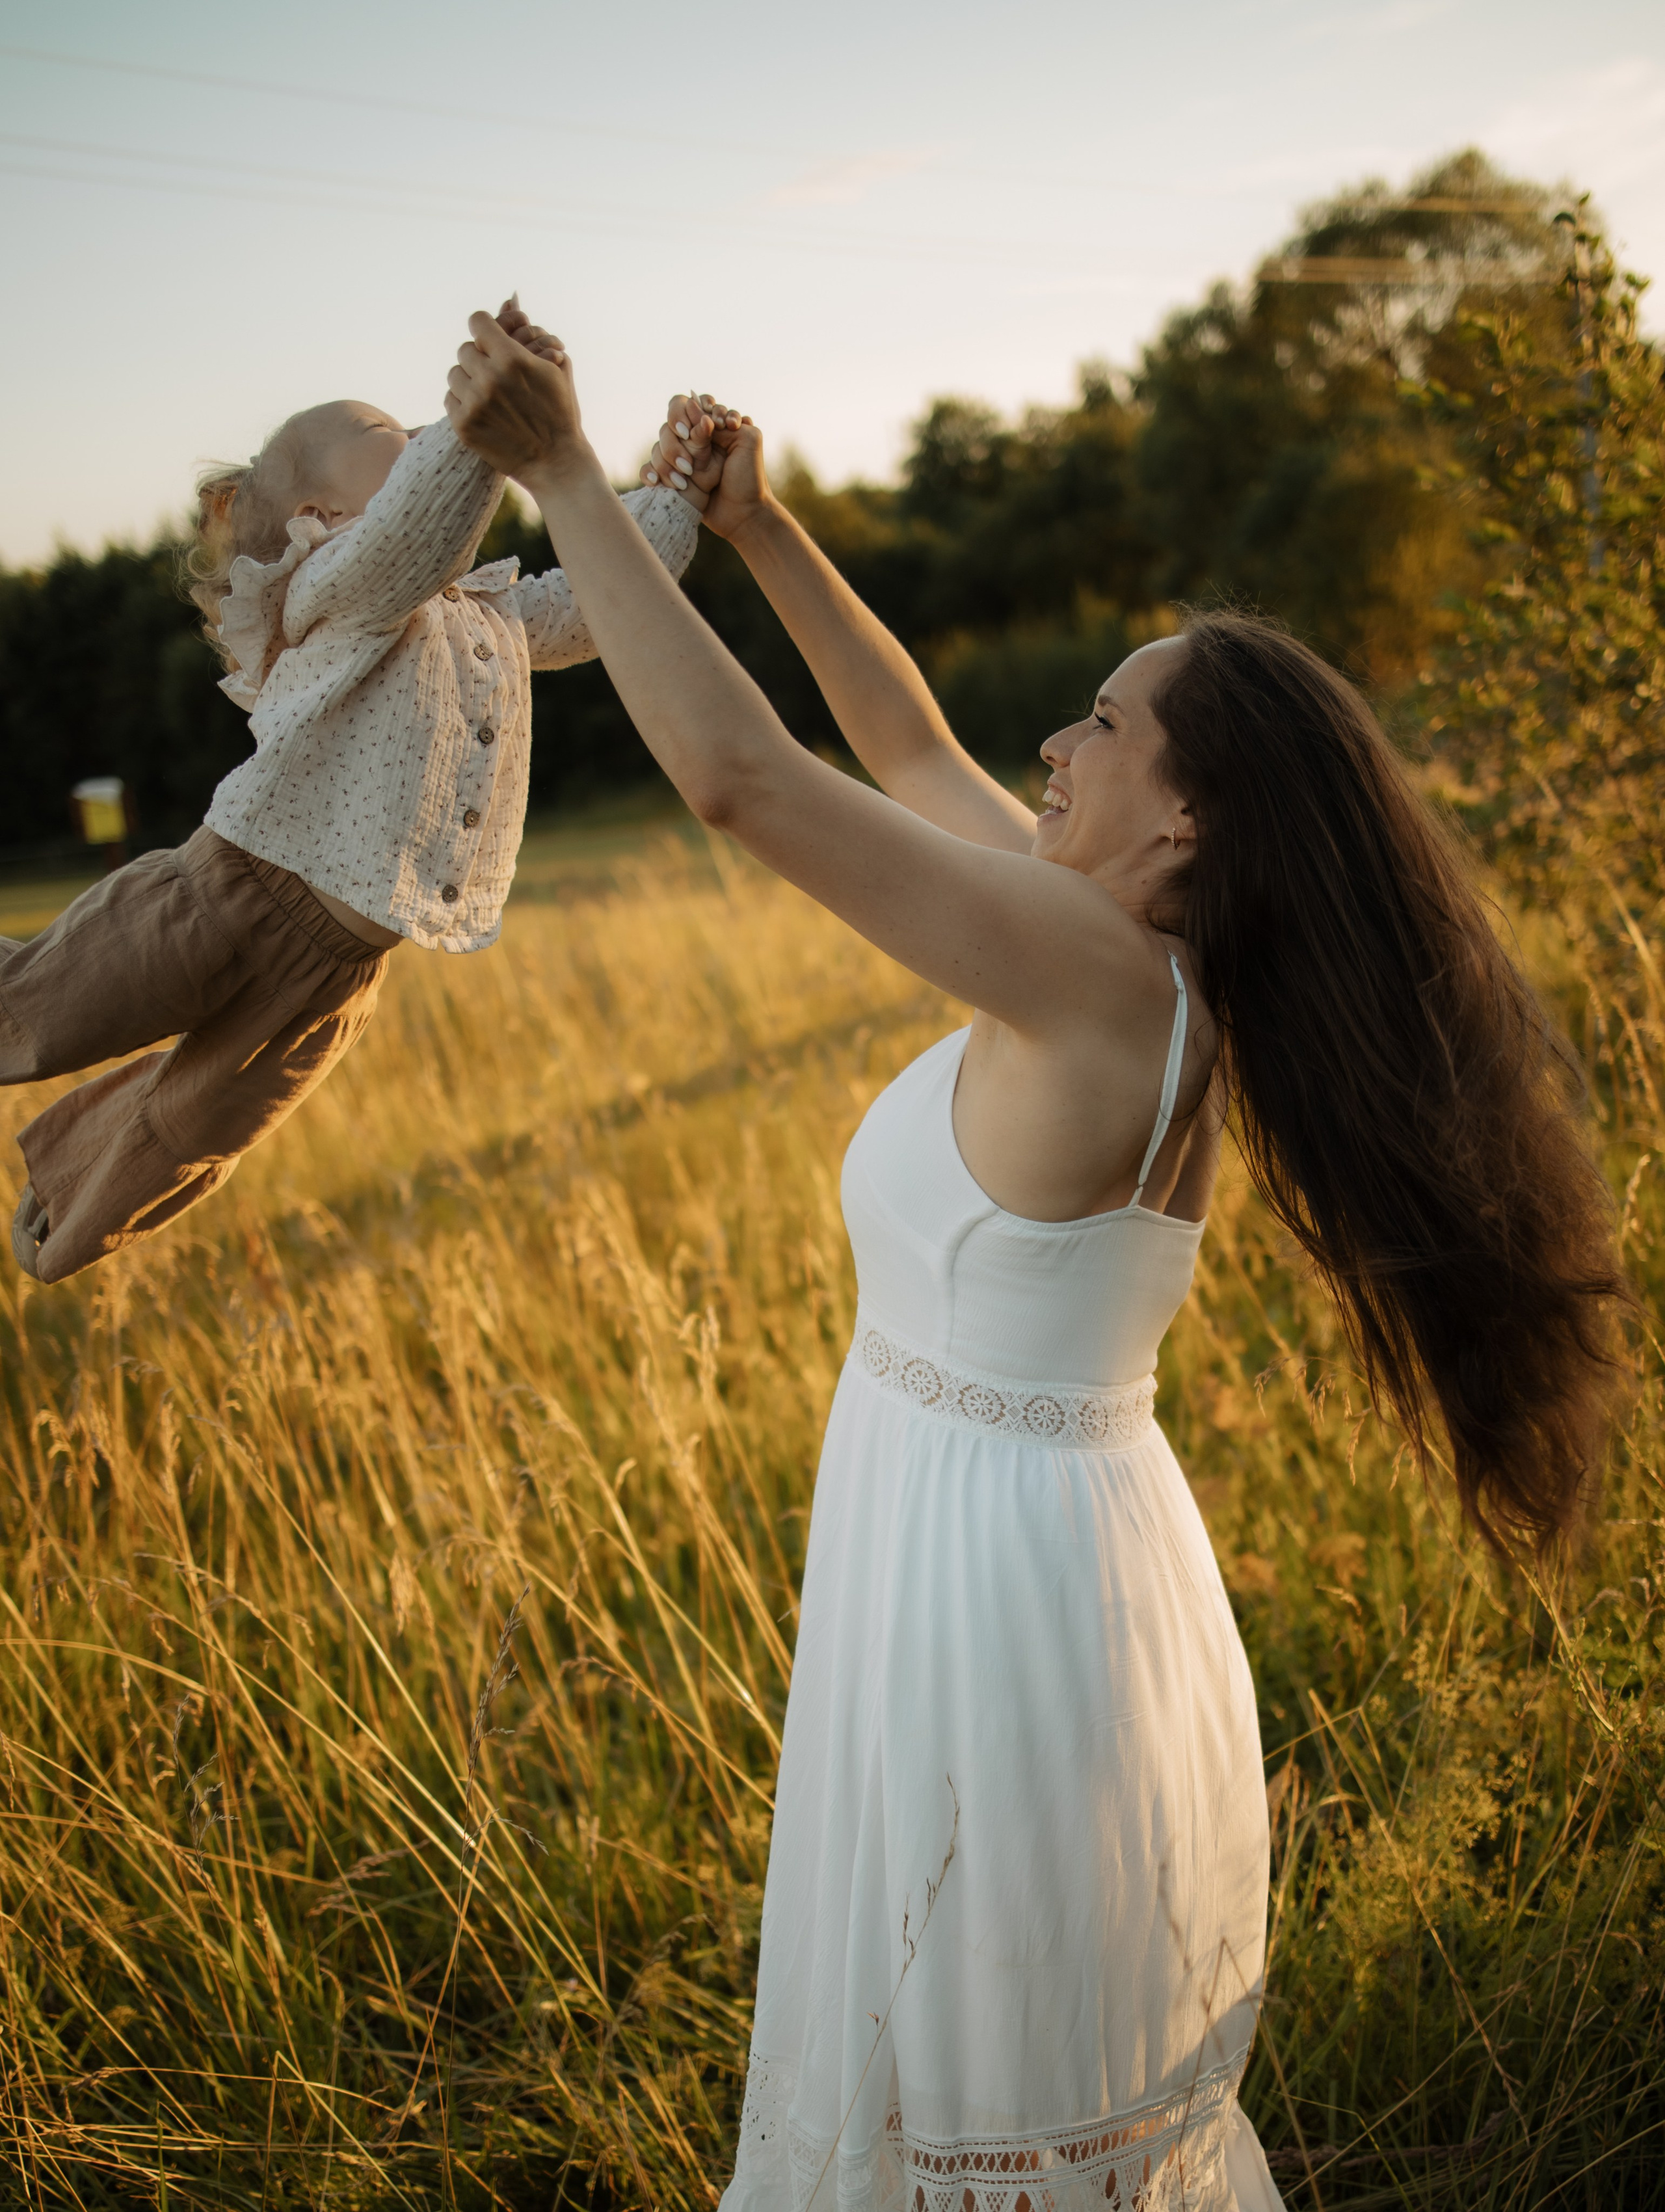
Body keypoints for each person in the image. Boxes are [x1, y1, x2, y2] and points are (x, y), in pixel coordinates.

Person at [446, 313, 1626, 2212]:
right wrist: (760, 532)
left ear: (1188, 817)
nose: (1056, 744)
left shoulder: (1095, 975)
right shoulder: (1118, 953)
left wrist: (565, 473)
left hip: (996, 1588)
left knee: (973, 2089)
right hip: (1001, 1542)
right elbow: (906, 741)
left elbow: (744, 782)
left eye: (1100, 722)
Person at [3, 305, 713, 1284]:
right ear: (322, 519)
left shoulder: (482, 611)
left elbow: (597, 598)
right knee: (40, 1004)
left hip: (337, 974)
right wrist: (481, 428)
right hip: (228, 895)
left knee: (193, 1127)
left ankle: (64, 1198)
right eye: (389, 432)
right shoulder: (332, 586)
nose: (420, 434)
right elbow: (415, 534)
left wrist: (676, 495)